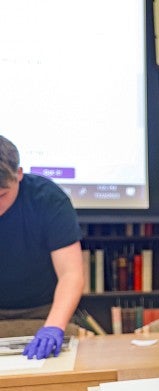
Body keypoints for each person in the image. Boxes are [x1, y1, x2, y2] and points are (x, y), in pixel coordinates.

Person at [0, 135, 84, 359]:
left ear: (18, 174)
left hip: (44, 311)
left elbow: (71, 273)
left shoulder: (48, 199)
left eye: (1, 196)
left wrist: (54, 327)